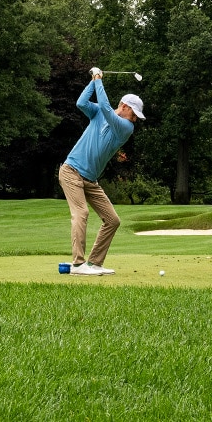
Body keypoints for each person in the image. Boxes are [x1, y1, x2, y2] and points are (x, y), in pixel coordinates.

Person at [59, 67, 144, 276]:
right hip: (71, 172)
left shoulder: (125, 127)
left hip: (91, 180)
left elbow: (106, 109)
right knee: (81, 213)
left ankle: (95, 262)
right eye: (134, 114)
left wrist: (98, 79)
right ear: (124, 106)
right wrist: (93, 81)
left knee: (113, 220)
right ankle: (78, 265)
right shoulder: (99, 112)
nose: (135, 119)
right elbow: (81, 103)